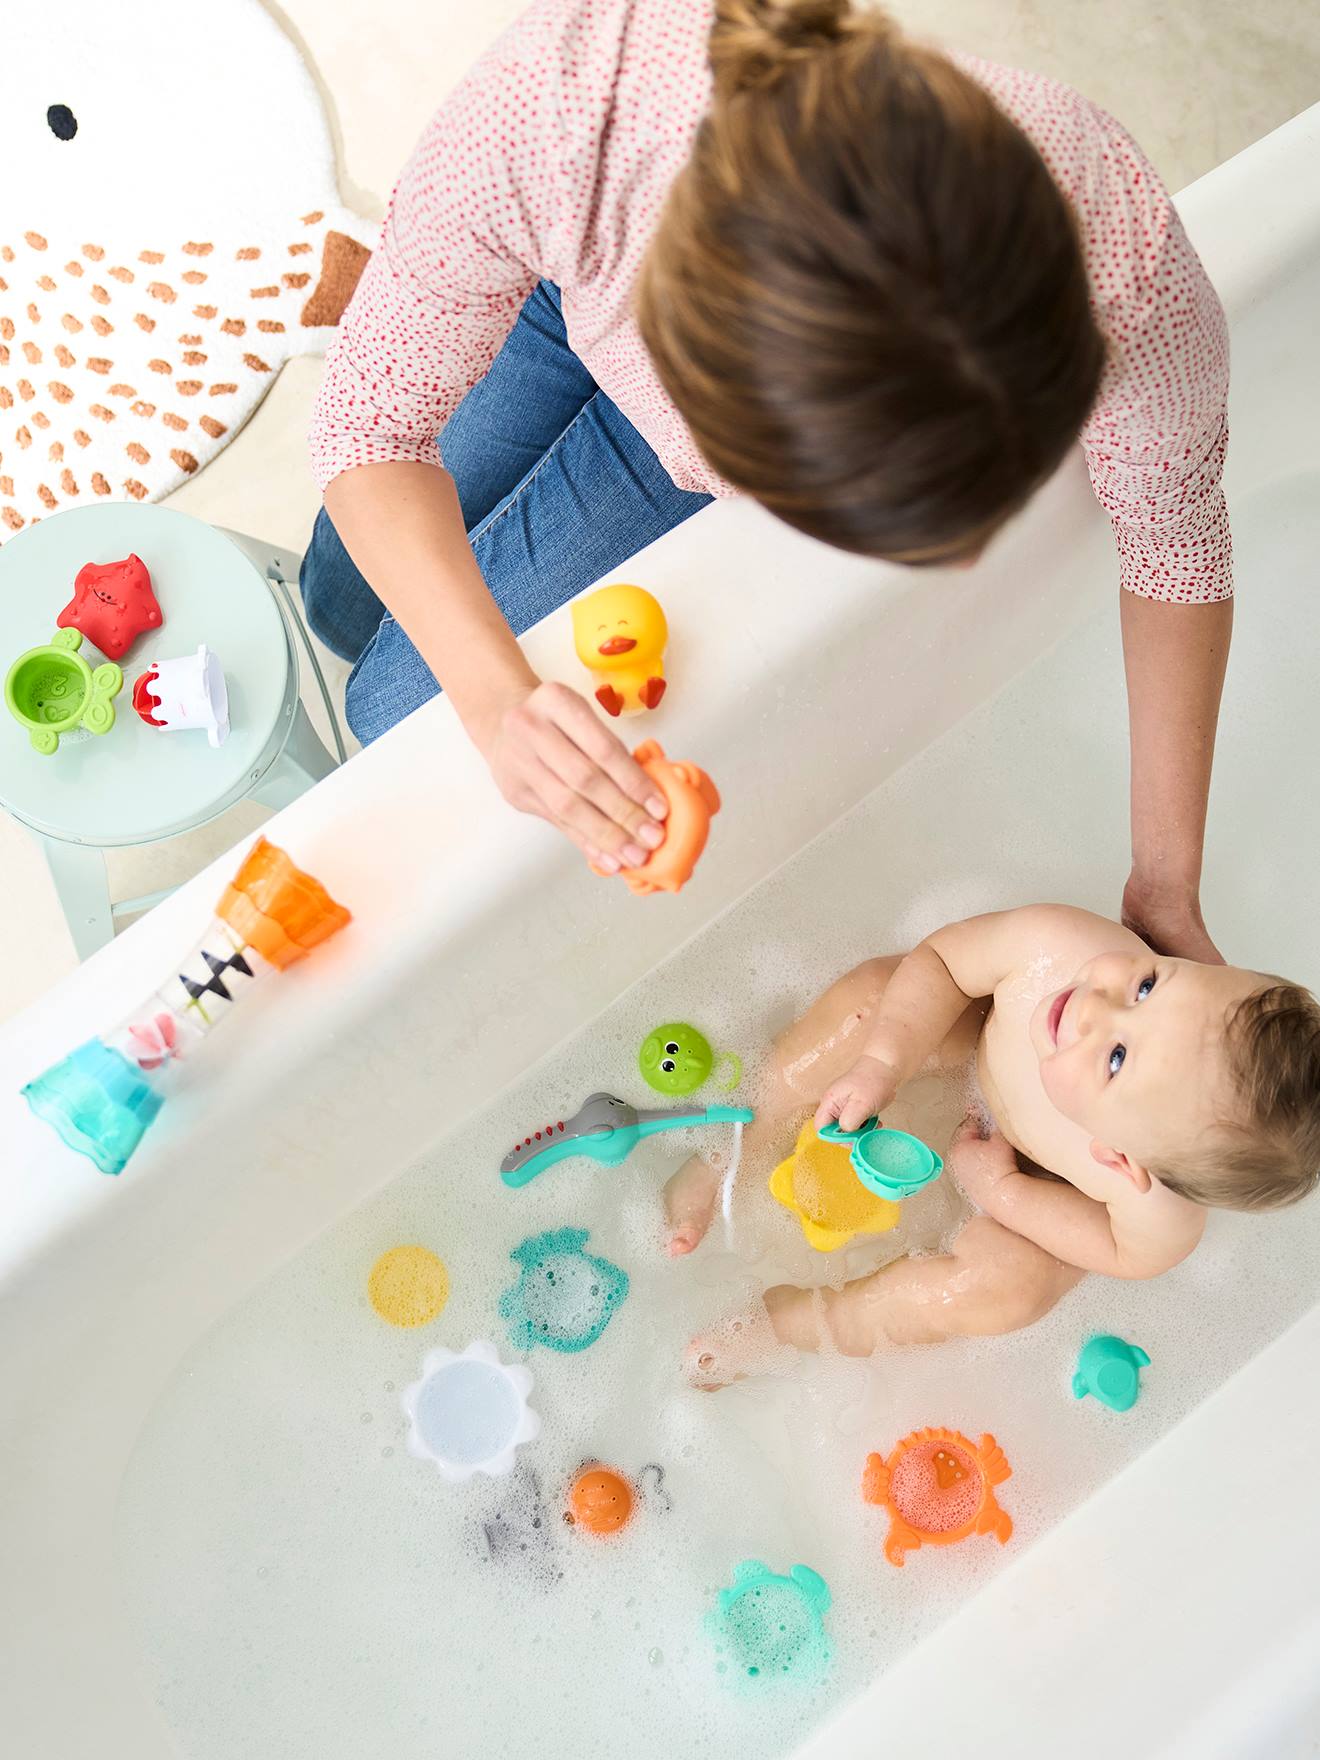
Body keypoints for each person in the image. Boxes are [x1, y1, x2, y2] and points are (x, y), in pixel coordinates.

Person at [303, 0, 1232, 958]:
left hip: (684, 346)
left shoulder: (1102, 233)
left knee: (388, 705)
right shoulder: (565, 101)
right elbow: (367, 430)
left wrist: (1165, 883)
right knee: (340, 586)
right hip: (568, 256)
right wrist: (494, 701)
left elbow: (1176, 536)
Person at [665, 904, 1320, 1387]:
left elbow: (1120, 1250)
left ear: (1122, 1160)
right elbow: (944, 961)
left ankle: (803, 1326)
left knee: (1010, 1288)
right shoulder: (1057, 953)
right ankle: (733, 1145)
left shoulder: (1157, 1212)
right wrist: (883, 1065)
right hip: (974, 1036)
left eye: (1117, 1057)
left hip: (1032, 1174)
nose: (1098, 1004)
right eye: (1149, 986)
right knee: (867, 1007)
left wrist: (1004, 1191)